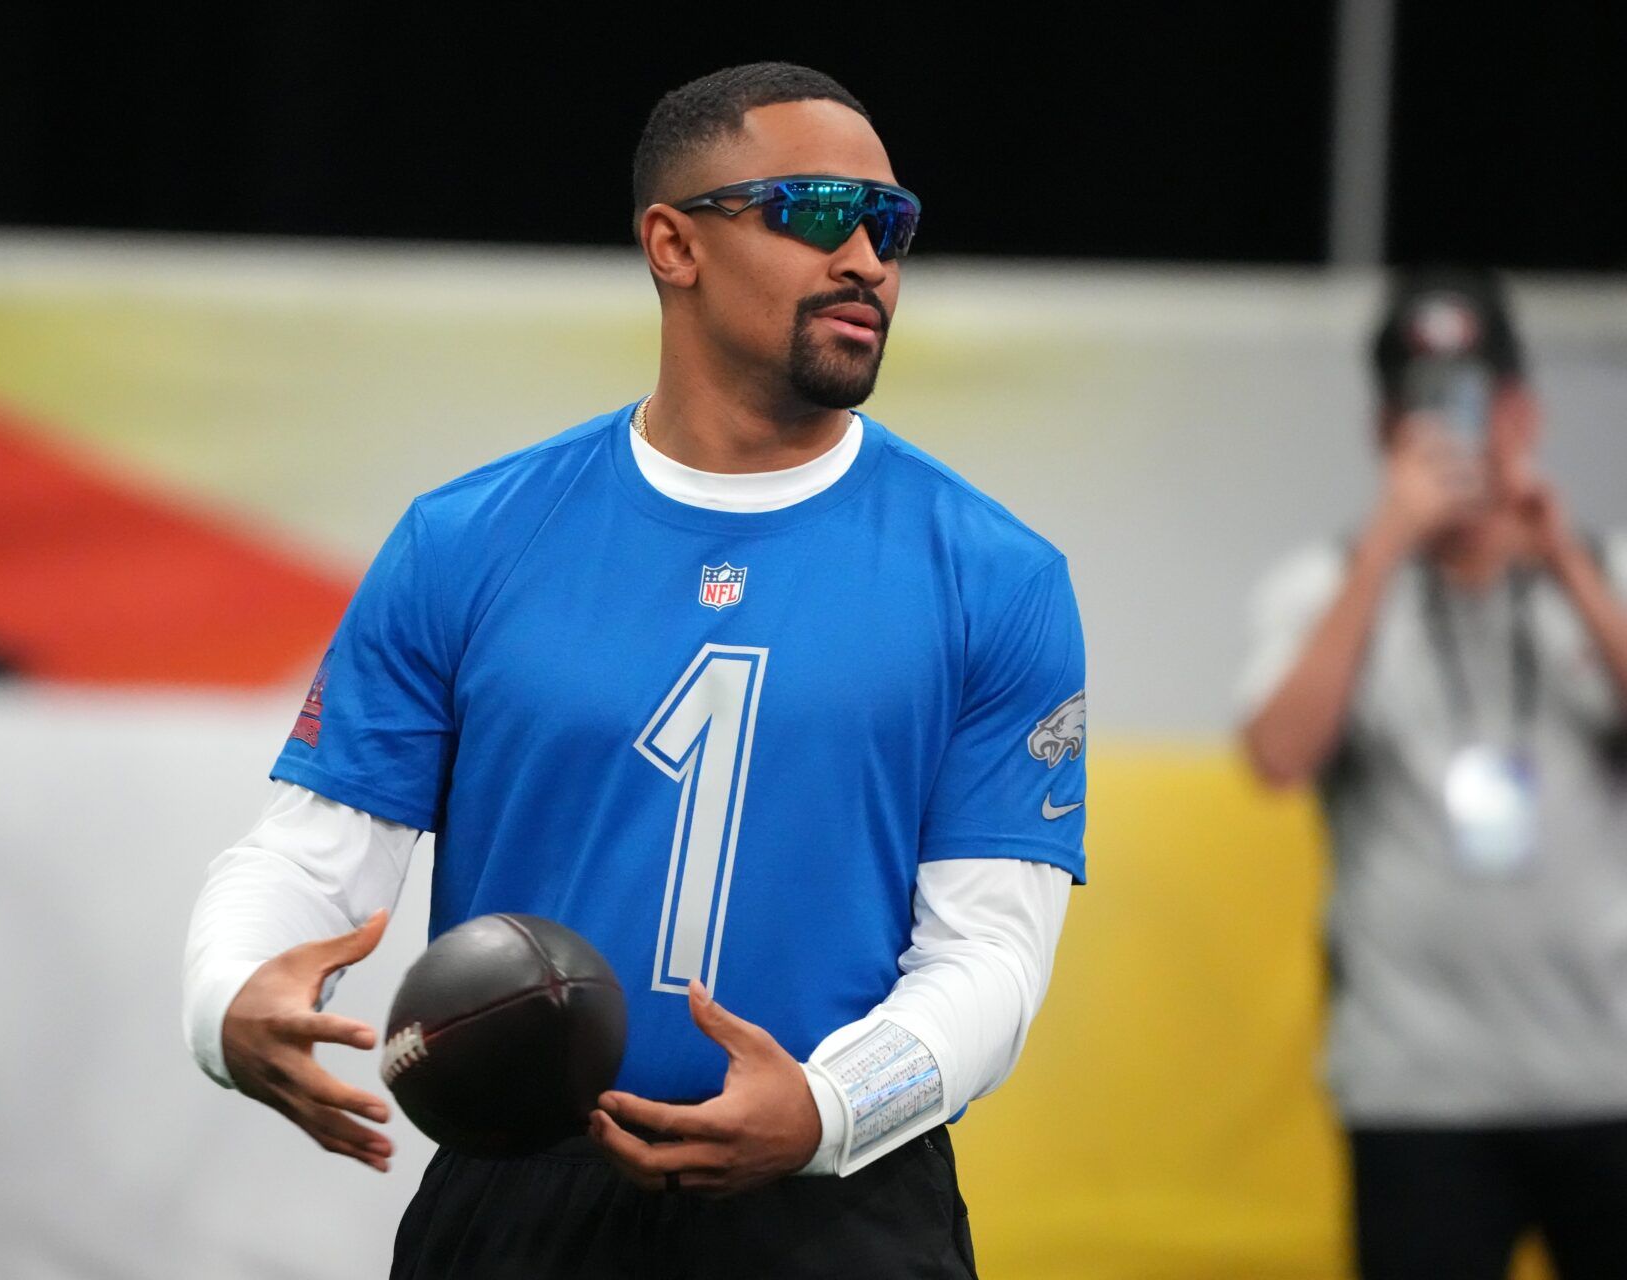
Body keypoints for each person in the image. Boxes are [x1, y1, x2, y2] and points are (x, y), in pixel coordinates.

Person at [183, 62, 1087, 1279]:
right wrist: (226, 1000)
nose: (869, 259)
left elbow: (991, 954)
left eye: (892, 224)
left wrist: (827, 1111)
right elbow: (311, 853)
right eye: (818, 212)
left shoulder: (996, 573)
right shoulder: (465, 541)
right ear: (673, 243)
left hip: (844, 1207)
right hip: (520, 1194)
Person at [1237, 268, 1627, 1280]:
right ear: (1385, 429)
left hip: (1610, 1075)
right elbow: (1277, 756)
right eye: (1428, 402)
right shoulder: (1328, 585)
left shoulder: (1605, 571)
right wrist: (1385, 550)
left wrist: (1570, 569)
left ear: (1524, 410)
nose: (1459, 429)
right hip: (1416, 1089)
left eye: (1479, 398)